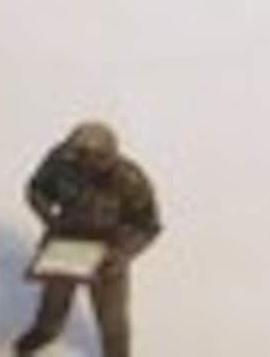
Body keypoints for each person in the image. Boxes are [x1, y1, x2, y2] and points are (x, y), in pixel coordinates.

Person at [15, 121, 162, 357]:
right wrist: (50, 219)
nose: (80, 165)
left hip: (109, 250)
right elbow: (36, 190)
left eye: (89, 159)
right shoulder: (60, 162)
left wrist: (122, 253)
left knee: (112, 316)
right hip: (65, 242)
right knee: (53, 298)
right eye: (77, 157)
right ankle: (46, 331)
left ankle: (117, 352)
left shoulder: (129, 179)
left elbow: (148, 225)